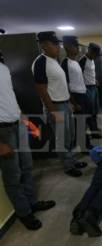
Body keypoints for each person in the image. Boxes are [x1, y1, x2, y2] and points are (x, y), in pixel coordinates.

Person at [0, 58, 55, 231]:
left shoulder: (3, 67)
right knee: (13, 175)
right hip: (3, 131)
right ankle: (24, 213)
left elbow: (9, 96)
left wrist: (24, 119)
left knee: (27, 166)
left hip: (18, 123)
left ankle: (31, 203)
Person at [32, 31, 86, 178]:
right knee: (62, 138)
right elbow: (41, 90)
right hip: (55, 106)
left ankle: (72, 160)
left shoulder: (54, 61)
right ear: (43, 45)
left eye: (58, 44)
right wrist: (53, 110)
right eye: (54, 44)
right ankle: (68, 166)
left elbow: (60, 85)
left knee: (70, 136)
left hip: (64, 103)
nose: (57, 47)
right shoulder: (40, 62)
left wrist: (70, 102)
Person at [61, 36, 93, 150]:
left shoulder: (75, 62)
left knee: (84, 122)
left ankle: (85, 143)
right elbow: (66, 84)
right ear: (68, 47)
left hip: (83, 94)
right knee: (80, 123)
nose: (78, 49)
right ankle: (84, 146)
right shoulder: (65, 63)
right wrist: (73, 103)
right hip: (76, 96)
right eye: (75, 46)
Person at [79, 43, 102, 137]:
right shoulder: (83, 60)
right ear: (90, 51)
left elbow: (90, 73)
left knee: (95, 110)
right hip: (87, 89)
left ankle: (95, 128)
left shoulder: (92, 60)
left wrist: (95, 80)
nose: (96, 57)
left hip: (93, 87)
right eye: (96, 54)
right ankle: (94, 132)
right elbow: (79, 76)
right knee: (90, 111)